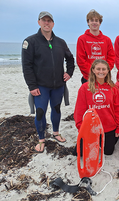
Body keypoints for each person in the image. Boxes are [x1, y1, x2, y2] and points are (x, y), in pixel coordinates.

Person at [22, 11, 75, 153]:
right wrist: (32, 86)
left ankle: (56, 133)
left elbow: (70, 59)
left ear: (53, 24)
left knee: (57, 109)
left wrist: (69, 73)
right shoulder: (30, 41)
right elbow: (26, 66)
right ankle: (41, 139)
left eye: (49, 21)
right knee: (40, 112)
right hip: (40, 86)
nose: (47, 23)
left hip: (58, 85)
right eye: (44, 20)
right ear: (39, 22)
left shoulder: (60, 42)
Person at [74, 59, 119, 155]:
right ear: (93, 70)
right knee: (79, 154)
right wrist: (81, 128)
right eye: (98, 69)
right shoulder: (85, 88)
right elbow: (79, 110)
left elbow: (118, 109)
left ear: (108, 71)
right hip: (90, 128)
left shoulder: (113, 88)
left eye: (104, 69)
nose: (101, 72)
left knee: (108, 152)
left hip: (109, 127)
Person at [76, 9, 115, 84]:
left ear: (100, 23)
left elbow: (111, 58)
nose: (94, 22)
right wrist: (94, 72)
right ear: (88, 22)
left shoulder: (107, 40)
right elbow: (81, 60)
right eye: (92, 20)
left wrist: (103, 71)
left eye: (96, 20)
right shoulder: (82, 39)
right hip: (88, 78)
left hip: (104, 77)